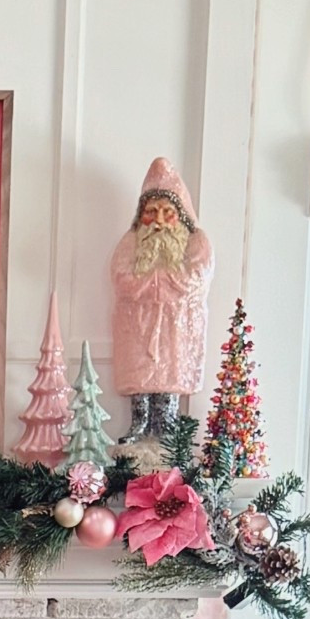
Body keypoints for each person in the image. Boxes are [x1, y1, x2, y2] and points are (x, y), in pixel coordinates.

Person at [109, 156, 214, 447]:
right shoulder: (131, 241)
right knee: (140, 375)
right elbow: (121, 277)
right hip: (138, 323)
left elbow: (196, 278)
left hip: (175, 326)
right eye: (151, 212)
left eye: (166, 212)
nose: (157, 220)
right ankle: (140, 423)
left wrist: (155, 283)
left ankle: (167, 427)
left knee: (169, 373)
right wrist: (152, 284)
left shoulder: (197, 242)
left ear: (179, 214)